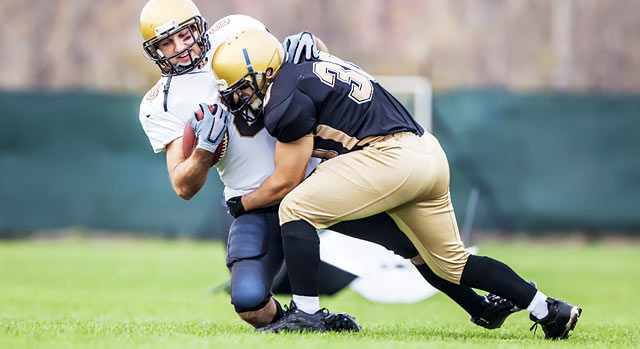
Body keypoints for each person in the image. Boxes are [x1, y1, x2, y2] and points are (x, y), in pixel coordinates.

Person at [138, 0, 525, 332]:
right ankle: (304, 320)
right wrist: (204, 151)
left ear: (199, 27)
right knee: (250, 303)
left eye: (184, 34)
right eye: (166, 42)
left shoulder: (237, 32)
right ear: (153, 51)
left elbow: (301, 73)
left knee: (413, 245)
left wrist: (313, 44)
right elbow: (183, 185)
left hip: (314, 180)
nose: (179, 48)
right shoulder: (161, 103)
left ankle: (482, 309)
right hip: (254, 200)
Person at [209, 29, 582, 339]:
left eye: (243, 88)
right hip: (427, 154)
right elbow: (317, 57)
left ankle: (306, 312)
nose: (241, 99)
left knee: (296, 207)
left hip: (388, 157)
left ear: (267, 72)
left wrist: (243, 203)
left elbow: (286, 180)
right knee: (451, 262)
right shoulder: (309, 64)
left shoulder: (283, 100)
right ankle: (547, 309)